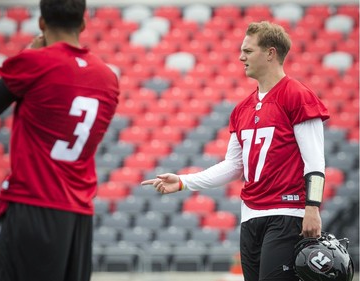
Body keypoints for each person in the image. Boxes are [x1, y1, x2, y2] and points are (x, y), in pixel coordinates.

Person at [141, 21, 329, 281]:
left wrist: (312, 208)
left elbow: (315, 162)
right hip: (250, 215)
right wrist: (184, 181)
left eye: (248, 51)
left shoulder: (298, 96)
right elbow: (233, 166)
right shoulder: (242, 109)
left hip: (287, 214)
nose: (241, 57)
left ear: (270, 53)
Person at [0, 0, 119, 280]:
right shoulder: (108, 77)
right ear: (83, 24)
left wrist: (28, 52)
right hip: (79, 213)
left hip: (32, 204)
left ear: (42, 24)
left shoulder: (35, 62)